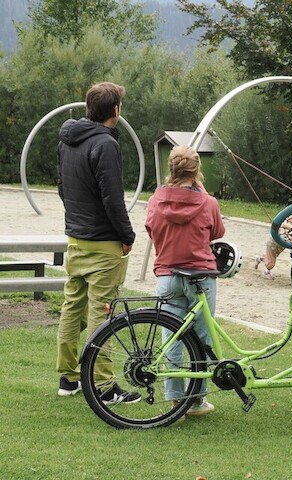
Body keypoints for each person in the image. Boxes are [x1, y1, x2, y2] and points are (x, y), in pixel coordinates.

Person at [56, 82, 139, 403]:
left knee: (71, 306)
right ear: (115, 110)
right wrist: (127, 236)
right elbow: (112, 198)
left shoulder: (67, 140)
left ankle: (68, 379)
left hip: (75, 238)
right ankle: (104, 387)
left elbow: (62, 187)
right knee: (102, 313)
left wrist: (77, 218)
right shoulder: (105, 144)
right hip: (104, 243)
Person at [145, 145, 225, 418]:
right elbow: (217, 231)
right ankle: (196, 400)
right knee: (201, 339)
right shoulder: (207, 202)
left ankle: (175, 398)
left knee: (171, 337)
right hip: (200, 277)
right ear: (197, 170)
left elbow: (150, 230)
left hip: (167, 275)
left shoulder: (156, 200)